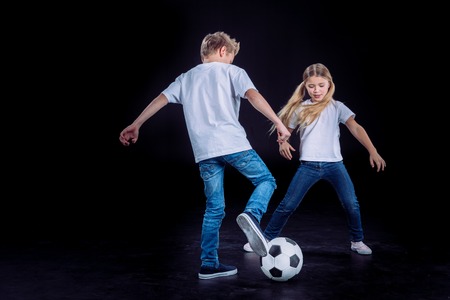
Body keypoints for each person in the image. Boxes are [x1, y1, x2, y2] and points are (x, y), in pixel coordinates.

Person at [118, 31, 291, 279]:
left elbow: (161, 99)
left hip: (204, 153)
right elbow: (253, 96)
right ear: (223, 51)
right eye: (231, 56)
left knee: (214, 208)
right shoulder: (234, 72)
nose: (231, 61)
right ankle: (252, 215)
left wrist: (136, 124)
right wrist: (279, 124)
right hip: (233, 145)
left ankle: (209, 264)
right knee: (266, 181)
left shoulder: (186, 77)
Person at [242, 63, 386, 255]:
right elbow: (285, 130)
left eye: (320, 85)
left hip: (335, 165)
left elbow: (355, 127)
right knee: (288, 205)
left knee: (351, 203)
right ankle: (264, 239)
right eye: (311, 86)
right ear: (305, 86)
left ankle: (357, 241)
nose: (316, 90)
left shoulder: (337, 107)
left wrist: (372, 150)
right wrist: (282, 143)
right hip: (308, 166)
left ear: (329, 84)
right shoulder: (301, 108)